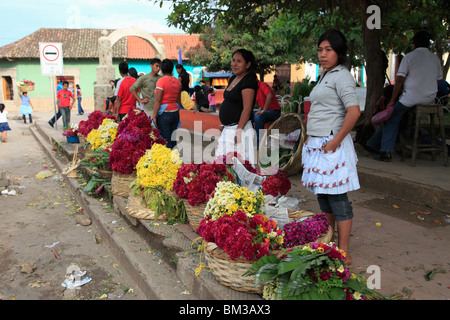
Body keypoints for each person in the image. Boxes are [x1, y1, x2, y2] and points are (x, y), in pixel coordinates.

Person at [301, 30, 361, 266]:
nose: (323, 55)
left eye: (329, 50)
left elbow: (354, 112)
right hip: (319, 144)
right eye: (320, 49)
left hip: (332, 144)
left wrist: (335, 141)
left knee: (338, 198)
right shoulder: (325, 75)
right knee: (324, 196)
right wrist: (309, 137)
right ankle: (329, 240)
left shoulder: (342, 75)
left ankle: (343, 251)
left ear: (339, 52)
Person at [367, 31, 443, 161]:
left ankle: (385, 151)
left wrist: (392, 101)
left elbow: (399, 80)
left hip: (411, 98)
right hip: (430, 98)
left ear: (414, 44)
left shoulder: (409, 57)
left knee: (391, 118)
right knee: (400, 116)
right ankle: (372, 145)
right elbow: (438, 81)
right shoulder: (434, 58)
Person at [215, 48, 258, 165]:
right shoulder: (233, 78)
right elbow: (230, 102)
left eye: (239, 61)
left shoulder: (248, 80)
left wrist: (239, 131)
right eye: (233, 60)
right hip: (228, 129)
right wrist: (223, 123)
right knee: (222, 164)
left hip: (239, 129)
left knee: (240, 165)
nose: (234, 64)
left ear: (248, 64)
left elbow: (247, 108)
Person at [153, 59, 182, 149]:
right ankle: (176, 160)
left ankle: (169, 161)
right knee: (173, 139)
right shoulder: (177, 82)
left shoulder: (161, 81)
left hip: (165, 114)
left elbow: (158, 100)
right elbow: (178, 99)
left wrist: (154, 116)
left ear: (161, 69)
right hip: (175, 113)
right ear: (172, 69)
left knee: (166, 140)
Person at [253, 80, 281, 145]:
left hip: (274, 112)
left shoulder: (262, 85)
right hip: (266, 111)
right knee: (248, 115)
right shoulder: (253, 89)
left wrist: (263, 110)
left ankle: (259, 143)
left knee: (258, 117)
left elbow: (270, 95)